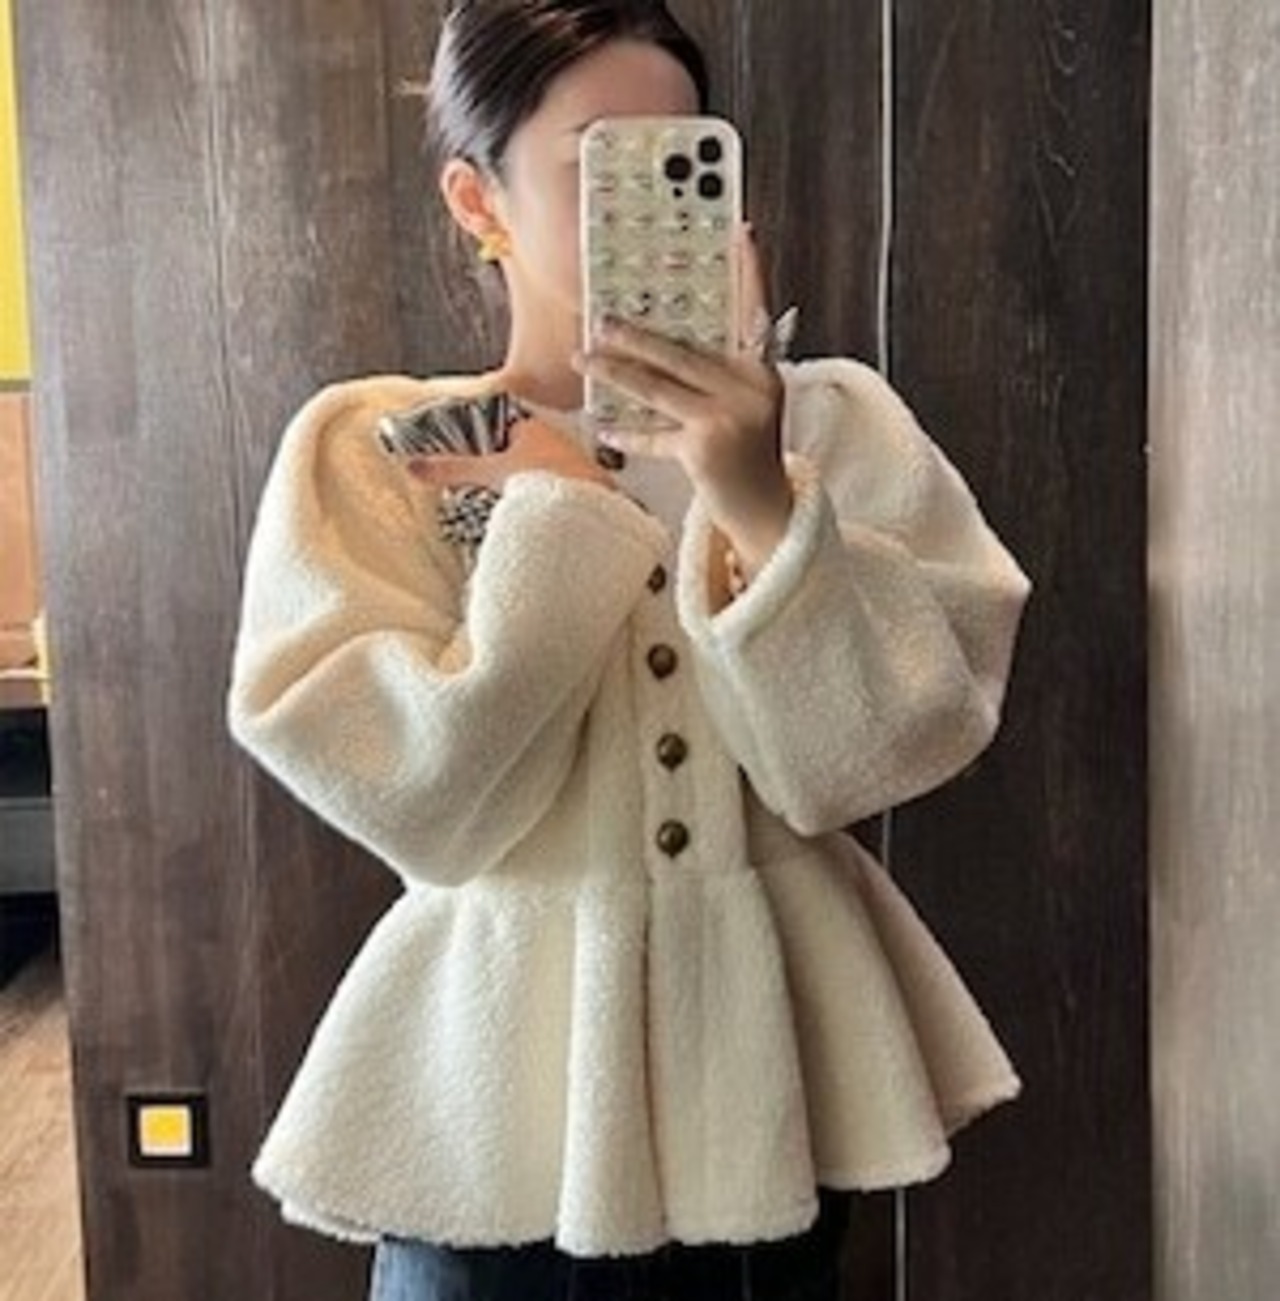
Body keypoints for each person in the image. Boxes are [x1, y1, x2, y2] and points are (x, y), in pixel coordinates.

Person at [225, 2, 1033, 1298]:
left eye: (684, 158)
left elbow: (872, 756)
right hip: (489, 1118)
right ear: (477, 200)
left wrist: (760, 498)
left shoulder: (830, 429)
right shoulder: (389, 450)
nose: (655, 204)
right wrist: (562, 516)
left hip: (771, 1103)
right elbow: (426, 808)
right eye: (600, 162)